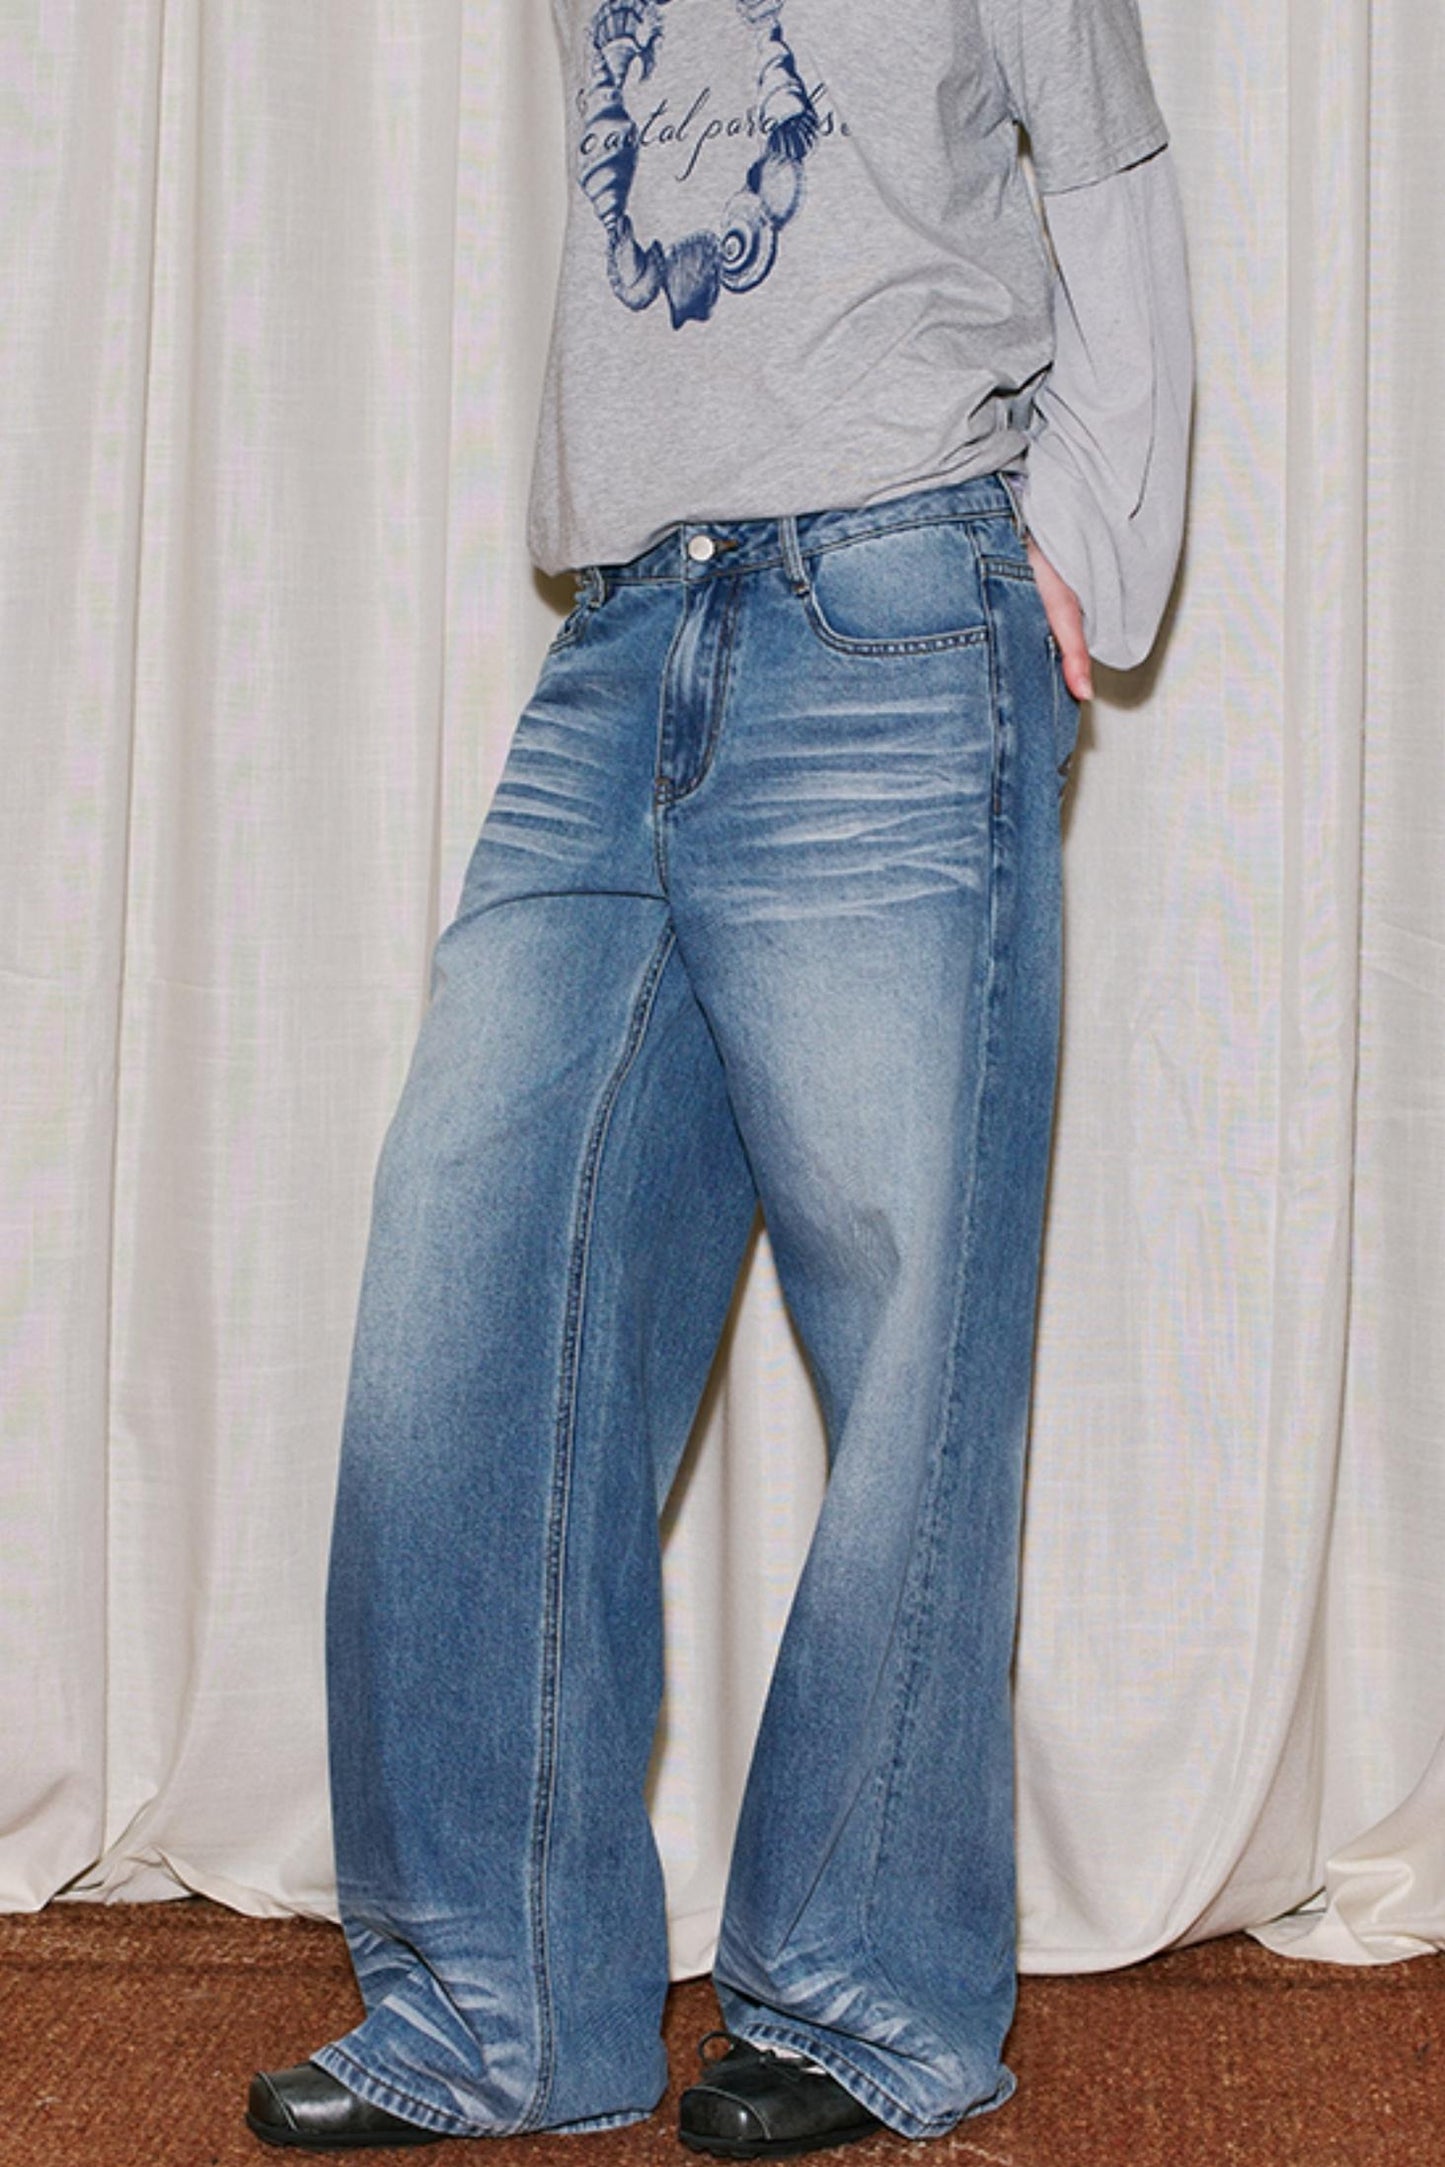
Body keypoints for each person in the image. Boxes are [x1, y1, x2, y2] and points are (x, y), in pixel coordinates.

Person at [246, 0, 1192, 2153]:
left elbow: (1105, 153)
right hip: (620, 635)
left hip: (892, 597)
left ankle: (867, 1992)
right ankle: (497, 2004)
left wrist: (1086, 542)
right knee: (468, 1300)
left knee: (911, 1331)